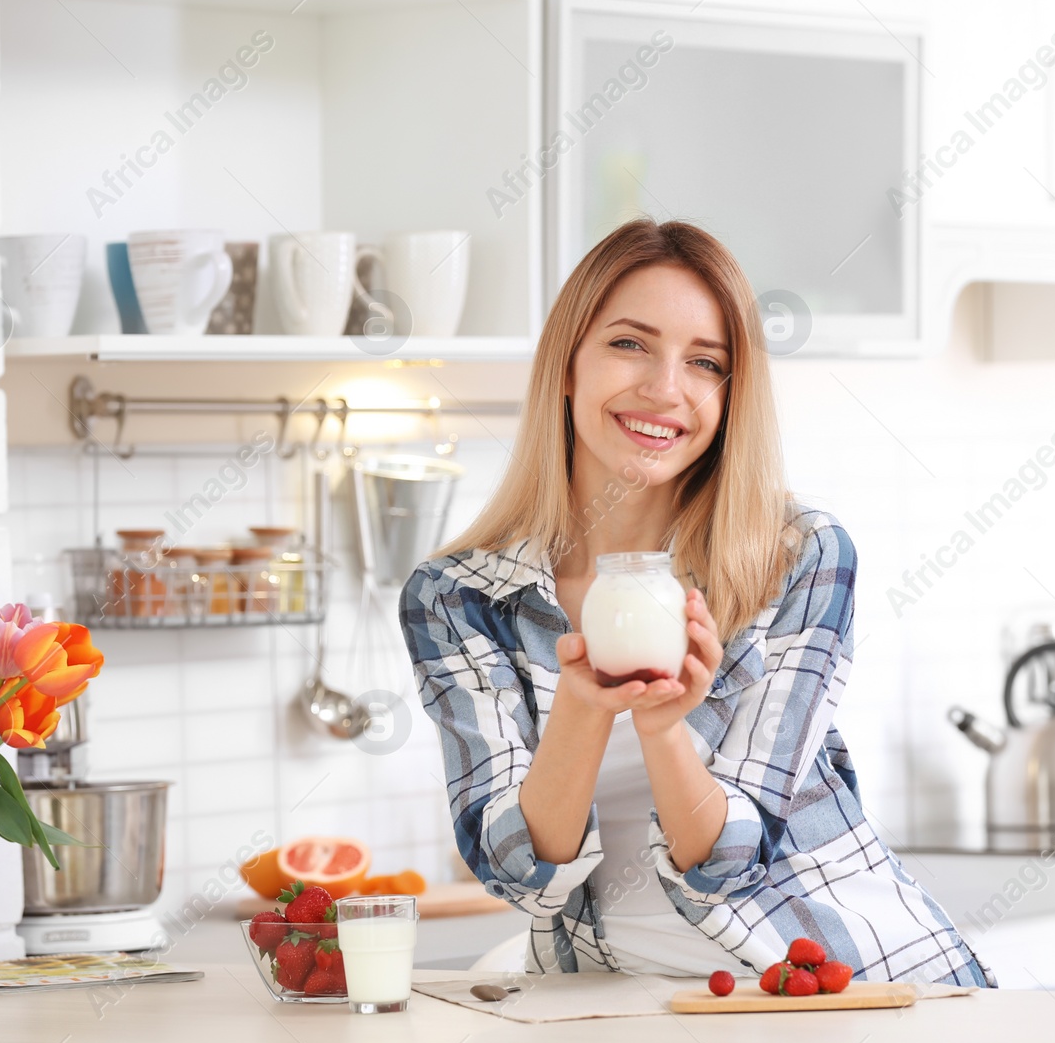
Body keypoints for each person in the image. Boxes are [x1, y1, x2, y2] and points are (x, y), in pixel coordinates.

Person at [398, 219, 991, 986]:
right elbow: (518, 874)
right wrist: (583, 707)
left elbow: (733, 856)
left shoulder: (796, 557)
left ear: (729, 393)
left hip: (846, 995)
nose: (665, 388)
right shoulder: (459, 598)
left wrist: (662, 727)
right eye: (629, 344)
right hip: (616, 1014)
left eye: (705, 362)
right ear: (569, 364)